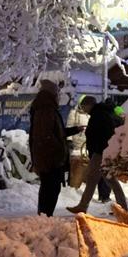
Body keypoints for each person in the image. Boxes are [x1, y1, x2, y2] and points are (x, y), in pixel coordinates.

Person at [29, 80, 83, 216]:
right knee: (50, 188)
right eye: (57, 93)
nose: (59, 96)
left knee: (50, 188)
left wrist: (74, 130)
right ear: (52, 94)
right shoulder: (46, 109)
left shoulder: (47, 108)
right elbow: (45, 135)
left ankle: (45, 216)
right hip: (50, 158)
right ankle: (45, 217)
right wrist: (58, 150)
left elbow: (55, 132)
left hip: (49, 157)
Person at [66, 96, 128, 213]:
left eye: (84, 106)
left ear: (89, 105)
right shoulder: (102, 112)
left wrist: (98, 150)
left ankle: (122, 207)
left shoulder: (98, 115)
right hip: (103, 151)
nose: (84, 109)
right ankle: (84, 206)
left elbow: (100, 134)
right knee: (98, 179)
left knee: (103, 179)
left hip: (100, 152)